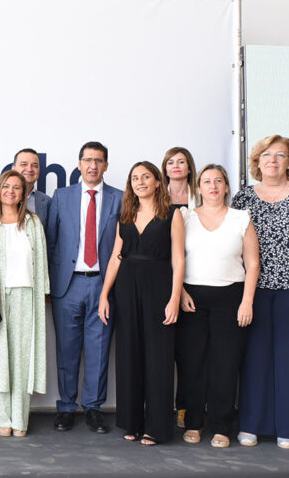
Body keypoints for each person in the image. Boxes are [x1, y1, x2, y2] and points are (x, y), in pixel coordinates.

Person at [232, 135, 289, 450]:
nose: (273, 160)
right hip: (253, 290)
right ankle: (251, 425)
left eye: (280, 155)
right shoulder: (243, 199)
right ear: (257, 162)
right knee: (255, 358)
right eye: (267, 155)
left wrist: (288, 262)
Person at [98, 161, 185, 446]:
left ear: (158, 182)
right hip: (126, 288)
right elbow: (115, 257)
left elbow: (178, 259)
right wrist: (104, 294)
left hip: (160, 286)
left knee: (159, 358)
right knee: (129, 354)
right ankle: (131, 422)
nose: (140, 182)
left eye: (146, 177)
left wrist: (174, 297)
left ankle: (157, 428)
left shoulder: (173, 214)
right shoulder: (124, 215)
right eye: (135, 178)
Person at [177, 164, 259, 448]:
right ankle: (194, 423)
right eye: (207, 181)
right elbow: (174, 260)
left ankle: (222, 427)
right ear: (198, 188)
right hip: (192, 300)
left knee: (225, 365)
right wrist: (181, 292)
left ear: (226, 187)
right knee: (192, 364)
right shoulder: (185, 217)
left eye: (218, 181)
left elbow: (252, 262)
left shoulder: (241, 218)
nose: (212, 186)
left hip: (231, 298)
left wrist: (247, 300)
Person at [46, 142, 121, 433]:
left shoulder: (119, 199)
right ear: (79, 164)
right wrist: (52, 286)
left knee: (99, 349)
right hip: (68, 285)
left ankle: (93, 407)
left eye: (98, 161)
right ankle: (66, 407)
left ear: (106, 165)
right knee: (67, 349)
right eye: (88, 160)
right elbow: (52, 242)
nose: (93, 166)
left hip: (103, 285)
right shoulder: (61, 196)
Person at [0, 170, 50, 437]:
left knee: (21, 359)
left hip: (26, 296)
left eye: (17, 188)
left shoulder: (32, 223)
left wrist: (43, 293)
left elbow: (41, 261)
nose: (11, 191)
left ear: (24, 194)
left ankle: (20, 418)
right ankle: (0, 417)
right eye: (6, 186)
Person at [161, 146, 196, 428]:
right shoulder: (155, 198)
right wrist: (178, 289)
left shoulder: (202, 197)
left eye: (181, 162)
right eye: (170, 162)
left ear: (189, 167)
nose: (175, 166)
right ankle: (160, 407)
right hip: (166, 282)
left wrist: (186, 287)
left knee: (188, 354)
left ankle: (184, 408)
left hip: (198, 280)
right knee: (163, 353)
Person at [0, 148, 52, 226]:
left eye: (35, 165)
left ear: (39, 170)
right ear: (13, 168)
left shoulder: (47, 201)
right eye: (24, 164)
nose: (29, 169)